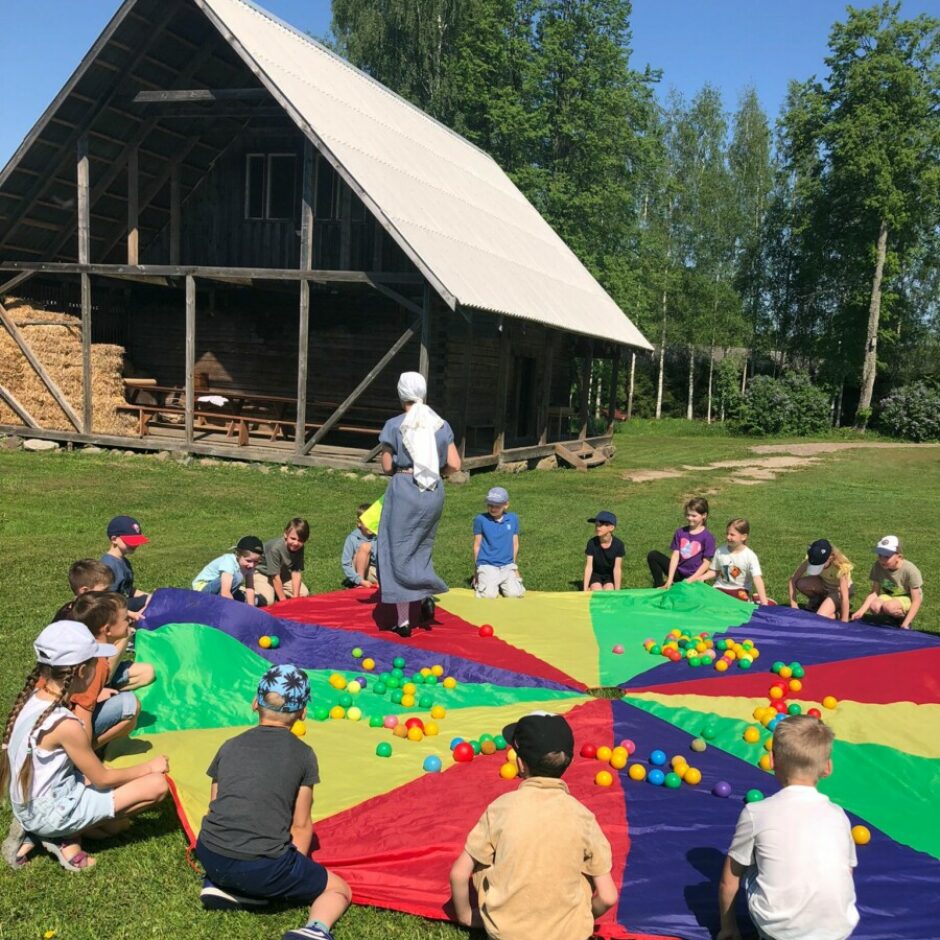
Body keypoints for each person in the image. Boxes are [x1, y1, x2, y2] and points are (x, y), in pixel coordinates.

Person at [196, 664, 351, 940]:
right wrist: (294, 870)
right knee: (339, 889)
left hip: (210, 853)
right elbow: (301, 825)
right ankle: (315, 929)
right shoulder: (303, 755)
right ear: (303, 713)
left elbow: (215, 805)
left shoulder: (229, 745)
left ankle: (224, 886)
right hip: (263, 867)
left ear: (255, 703)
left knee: (241, 866)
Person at [1, 620, 169, 872]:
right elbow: (102, 778)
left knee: (112, 826)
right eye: (96, 665)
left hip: (30, 804)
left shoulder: (34, 700)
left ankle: (48, 831)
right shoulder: (65, 724)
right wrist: (148, 767)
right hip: (52, 811)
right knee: (157, 785)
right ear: (82, 672)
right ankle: (62, 835)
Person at [449, 712, 618, 940]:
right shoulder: (583, 817)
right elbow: (607, 897)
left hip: (506, 933)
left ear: (519, 763)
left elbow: (459, 874)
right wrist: (580, 917)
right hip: (567, 934)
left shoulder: (501, 808)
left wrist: (467, 917)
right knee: (586, 870)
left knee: (481, 861)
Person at [717, 715, 858, 940]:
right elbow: (846, 872)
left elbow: (728, 880)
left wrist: (729, 927)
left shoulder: (756, 812)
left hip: (781, 932)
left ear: (772, 761)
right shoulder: (838, 816)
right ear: (827, 768)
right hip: (837, 929)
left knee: (749, 865)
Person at [377, 371, 461, 637]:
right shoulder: (441, 425)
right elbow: (455, 465)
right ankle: (424, 594)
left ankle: (404, 620)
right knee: (421, 548)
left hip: (404, 488)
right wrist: (433, 471)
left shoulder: (394, 424)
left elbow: (388, 465)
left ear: (401, 394)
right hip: (433, 490)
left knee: (396, 551)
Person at [68, 592, 155, 749]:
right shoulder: (97, 663)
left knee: (142, 677)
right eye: (125, 619)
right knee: (130, 704)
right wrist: (84, 757)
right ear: (107, 629)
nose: (129, 620)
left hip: (65, 716)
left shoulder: (87, 647)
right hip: (70, 727)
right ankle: (82, 754)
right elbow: (82, 716)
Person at [851, 535, 923, 630]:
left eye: (887, 556)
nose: (882, 559)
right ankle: (891, 619)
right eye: (880, 555)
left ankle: (902, 619)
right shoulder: (877, 566)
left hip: (907, 596)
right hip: (891, 594)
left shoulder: (910, 570)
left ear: (899, 556)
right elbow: (874, 593)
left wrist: (906, 623)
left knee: (889, 607)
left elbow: (916, 600)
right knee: (874, 606)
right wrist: (861, 611)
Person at [647, 497, 716, 589]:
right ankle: (659, 586)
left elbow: (706, 563)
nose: (689, 518)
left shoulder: (708, 537)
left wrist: (690, 580)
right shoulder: (680, 532)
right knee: (653, 555)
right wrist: (669, 580)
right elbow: (675, 556)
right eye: (688, 515)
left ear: (704, 515)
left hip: (695, 577)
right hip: (679, 573)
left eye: (693, 516)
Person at [473, 487, 524, 599]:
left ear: (506, 505)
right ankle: (484, 583)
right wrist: (476, 570)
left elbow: (515, 544)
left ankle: (503, 583)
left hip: (507, 565)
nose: (493, 508)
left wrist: (514, 567)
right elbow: (477, 545)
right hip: (487, 564)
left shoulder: (513, 519)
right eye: (490, 505)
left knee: (514, 594)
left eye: (497, 505)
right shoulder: (480, 519)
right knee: (488, 595)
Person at [705, 518, 769, 605]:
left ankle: (755, 600)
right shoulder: (720, 551)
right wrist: (702, 577)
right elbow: (714, 571)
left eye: (732, 535)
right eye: (727, 534)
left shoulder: (750, 556)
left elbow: (757, 578)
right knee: (710, 604)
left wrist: (764, 603)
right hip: (720, 587)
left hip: (739, 589)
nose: (728, 537)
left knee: (736, 607)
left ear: (744, 537)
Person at [788, 539, 854, 622]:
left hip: (839, 590)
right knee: (801, 583)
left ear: (830, 557)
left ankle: (838, 613)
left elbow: (844, 595)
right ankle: (819, 601)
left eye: (820, 565)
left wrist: (844, 619)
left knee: (820, 616)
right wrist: (793, 604)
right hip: (824, 585)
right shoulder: (812, 559)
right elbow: (792, 580)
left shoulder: (840, 566)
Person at [100, 515, 150, 618]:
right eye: (130, 541)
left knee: (153, 599)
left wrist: (148, 596)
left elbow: (127, 590)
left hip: (123, 603)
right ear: (114, 539)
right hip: (113, 608)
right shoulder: (108, 565)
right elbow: (105, 600)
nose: (136, 545)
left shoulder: (124, 561)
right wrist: (131, 614)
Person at [192, 536, 264, 605]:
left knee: (250, 602)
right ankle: (213, 604)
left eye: (256, 561)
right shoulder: (228, 562)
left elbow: (250, 587)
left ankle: (224, 602)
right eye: (248, 561)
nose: (252, 565)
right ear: (238, 555)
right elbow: (225, 592)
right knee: (236, 578)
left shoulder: (249, 566)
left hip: (226, 590)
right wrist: (232, 610)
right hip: (202, 590)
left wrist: (251, 608)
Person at [255, 518, 311, 606]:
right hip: (262, 572)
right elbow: (275, 577)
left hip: (281, 571)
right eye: (293, 538)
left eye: (300, 540)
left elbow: (296, 572)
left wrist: (295, 598)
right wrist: (283, 601)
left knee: (303, 594)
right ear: (285, 534)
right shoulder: (275, 548)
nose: (296, 543)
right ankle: (244, 590)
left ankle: (276, 591)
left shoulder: (299, 547)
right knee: (268, 601)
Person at [582, 511, 625, 591]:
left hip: (609, 575)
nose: (598, 528)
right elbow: (589, 567)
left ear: (611, 527)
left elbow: (617, 569)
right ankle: (590, 588)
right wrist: (584, 590)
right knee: (597, 590)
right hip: (595, 574)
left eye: (601, 525)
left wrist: (617, 591)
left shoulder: (619, 545)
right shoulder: (591, 543)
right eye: (597, 525)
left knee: (609, 591)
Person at [341, 504, 378, 588]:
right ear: (359, 523)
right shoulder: (352, 538)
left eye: (373, 521)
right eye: (367, 522)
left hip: (374, 570)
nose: (370, 525)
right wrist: (358, 579)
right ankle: (359, 583)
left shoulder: (379, 536)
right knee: (364, 547)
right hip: (357, 572)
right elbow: (346, 564)